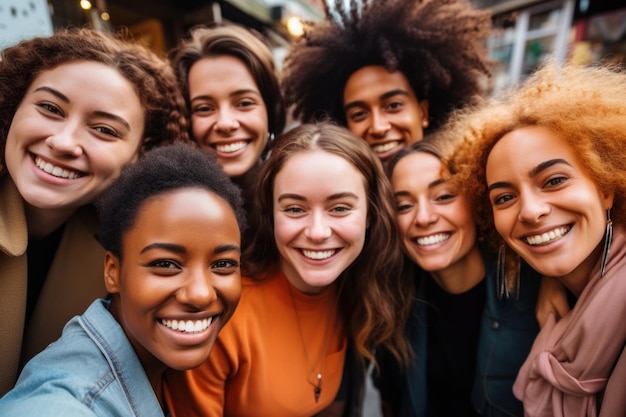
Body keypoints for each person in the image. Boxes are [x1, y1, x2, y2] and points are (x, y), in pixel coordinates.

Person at [166, 122, 412, 416]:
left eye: (340, 208)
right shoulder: (221, 316)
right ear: (270, 214)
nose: (318, 232)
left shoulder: (355, 290)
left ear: (370, 214)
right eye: (295, 209)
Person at [0, 27, 190, 396]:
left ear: (140, 156)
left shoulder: (125, 252)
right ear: (12, 107)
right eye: (50, 108)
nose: (64, 142)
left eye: (103, 129)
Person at [0, 144, 246, 415]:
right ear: (112, 272)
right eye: (165, 264)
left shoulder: (163, 366)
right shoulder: (67, 404)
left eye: (223, 264)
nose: (201, 294)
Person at [451, 60, 626, 416]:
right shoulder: (560, 303)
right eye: (504, 197)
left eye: (554, 180)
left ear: (606, 187)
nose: (529, 211)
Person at [375, 139, 541, 417]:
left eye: (443, 196)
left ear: (477, 200)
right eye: (403, 206)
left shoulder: (535, 289)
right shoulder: (393, 305)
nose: (424, 218)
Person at [281, 0, 492, 164]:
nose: (378, 127)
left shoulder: (464, 193)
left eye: (393, 105)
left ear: (423, 112)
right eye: (359, 114)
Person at [169, 23, 286, 227]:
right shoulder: (167, 210)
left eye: (244, 103)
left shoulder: (300, 196)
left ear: (270, 110)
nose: (226, 123)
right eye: (204, 108)